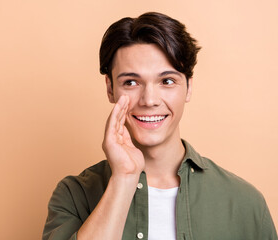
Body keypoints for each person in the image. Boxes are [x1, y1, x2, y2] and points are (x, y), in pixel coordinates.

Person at [42, 12, 277, 240]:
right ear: (110, 89)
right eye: (131, 82)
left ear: (189, 87)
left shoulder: (245, 203)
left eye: (167, 81)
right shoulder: (74, 195)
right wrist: (124, 177)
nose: (149, 100)